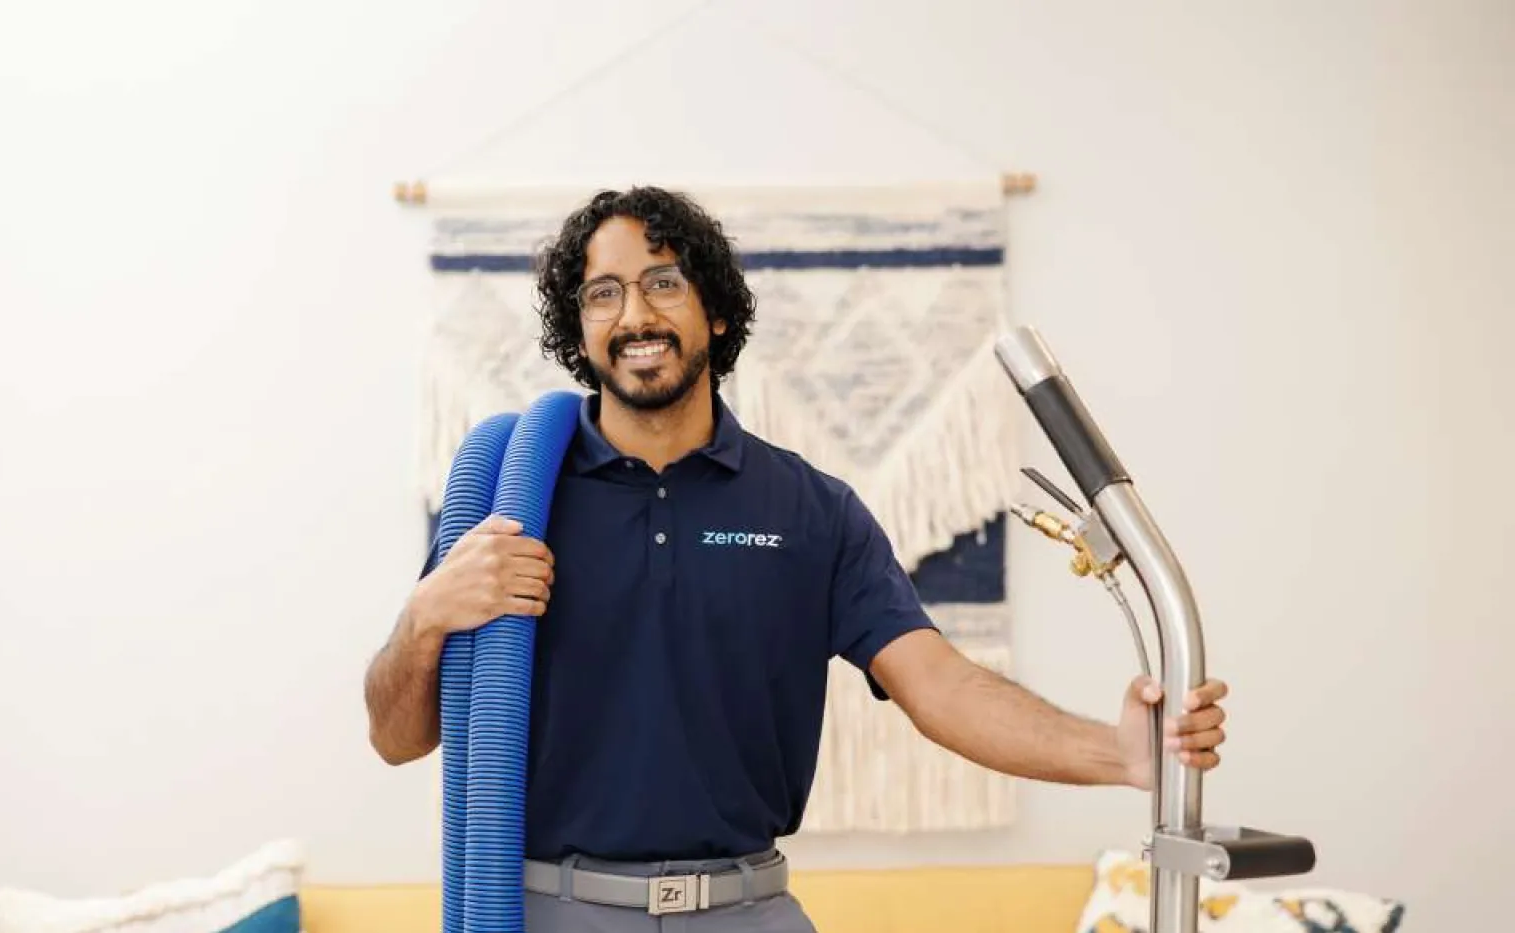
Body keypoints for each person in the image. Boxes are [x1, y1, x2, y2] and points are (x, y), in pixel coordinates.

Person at [364, 186, 1229, 932]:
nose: (634, 314)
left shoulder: (812, 510)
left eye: (664, 282)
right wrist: (426, 615)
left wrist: (1116, 755)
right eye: (604, 293)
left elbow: (941, 686)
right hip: (555, 911)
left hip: (748, 907)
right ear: (580, 332)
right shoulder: (511, 508)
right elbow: (398, 739)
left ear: (719, 311)